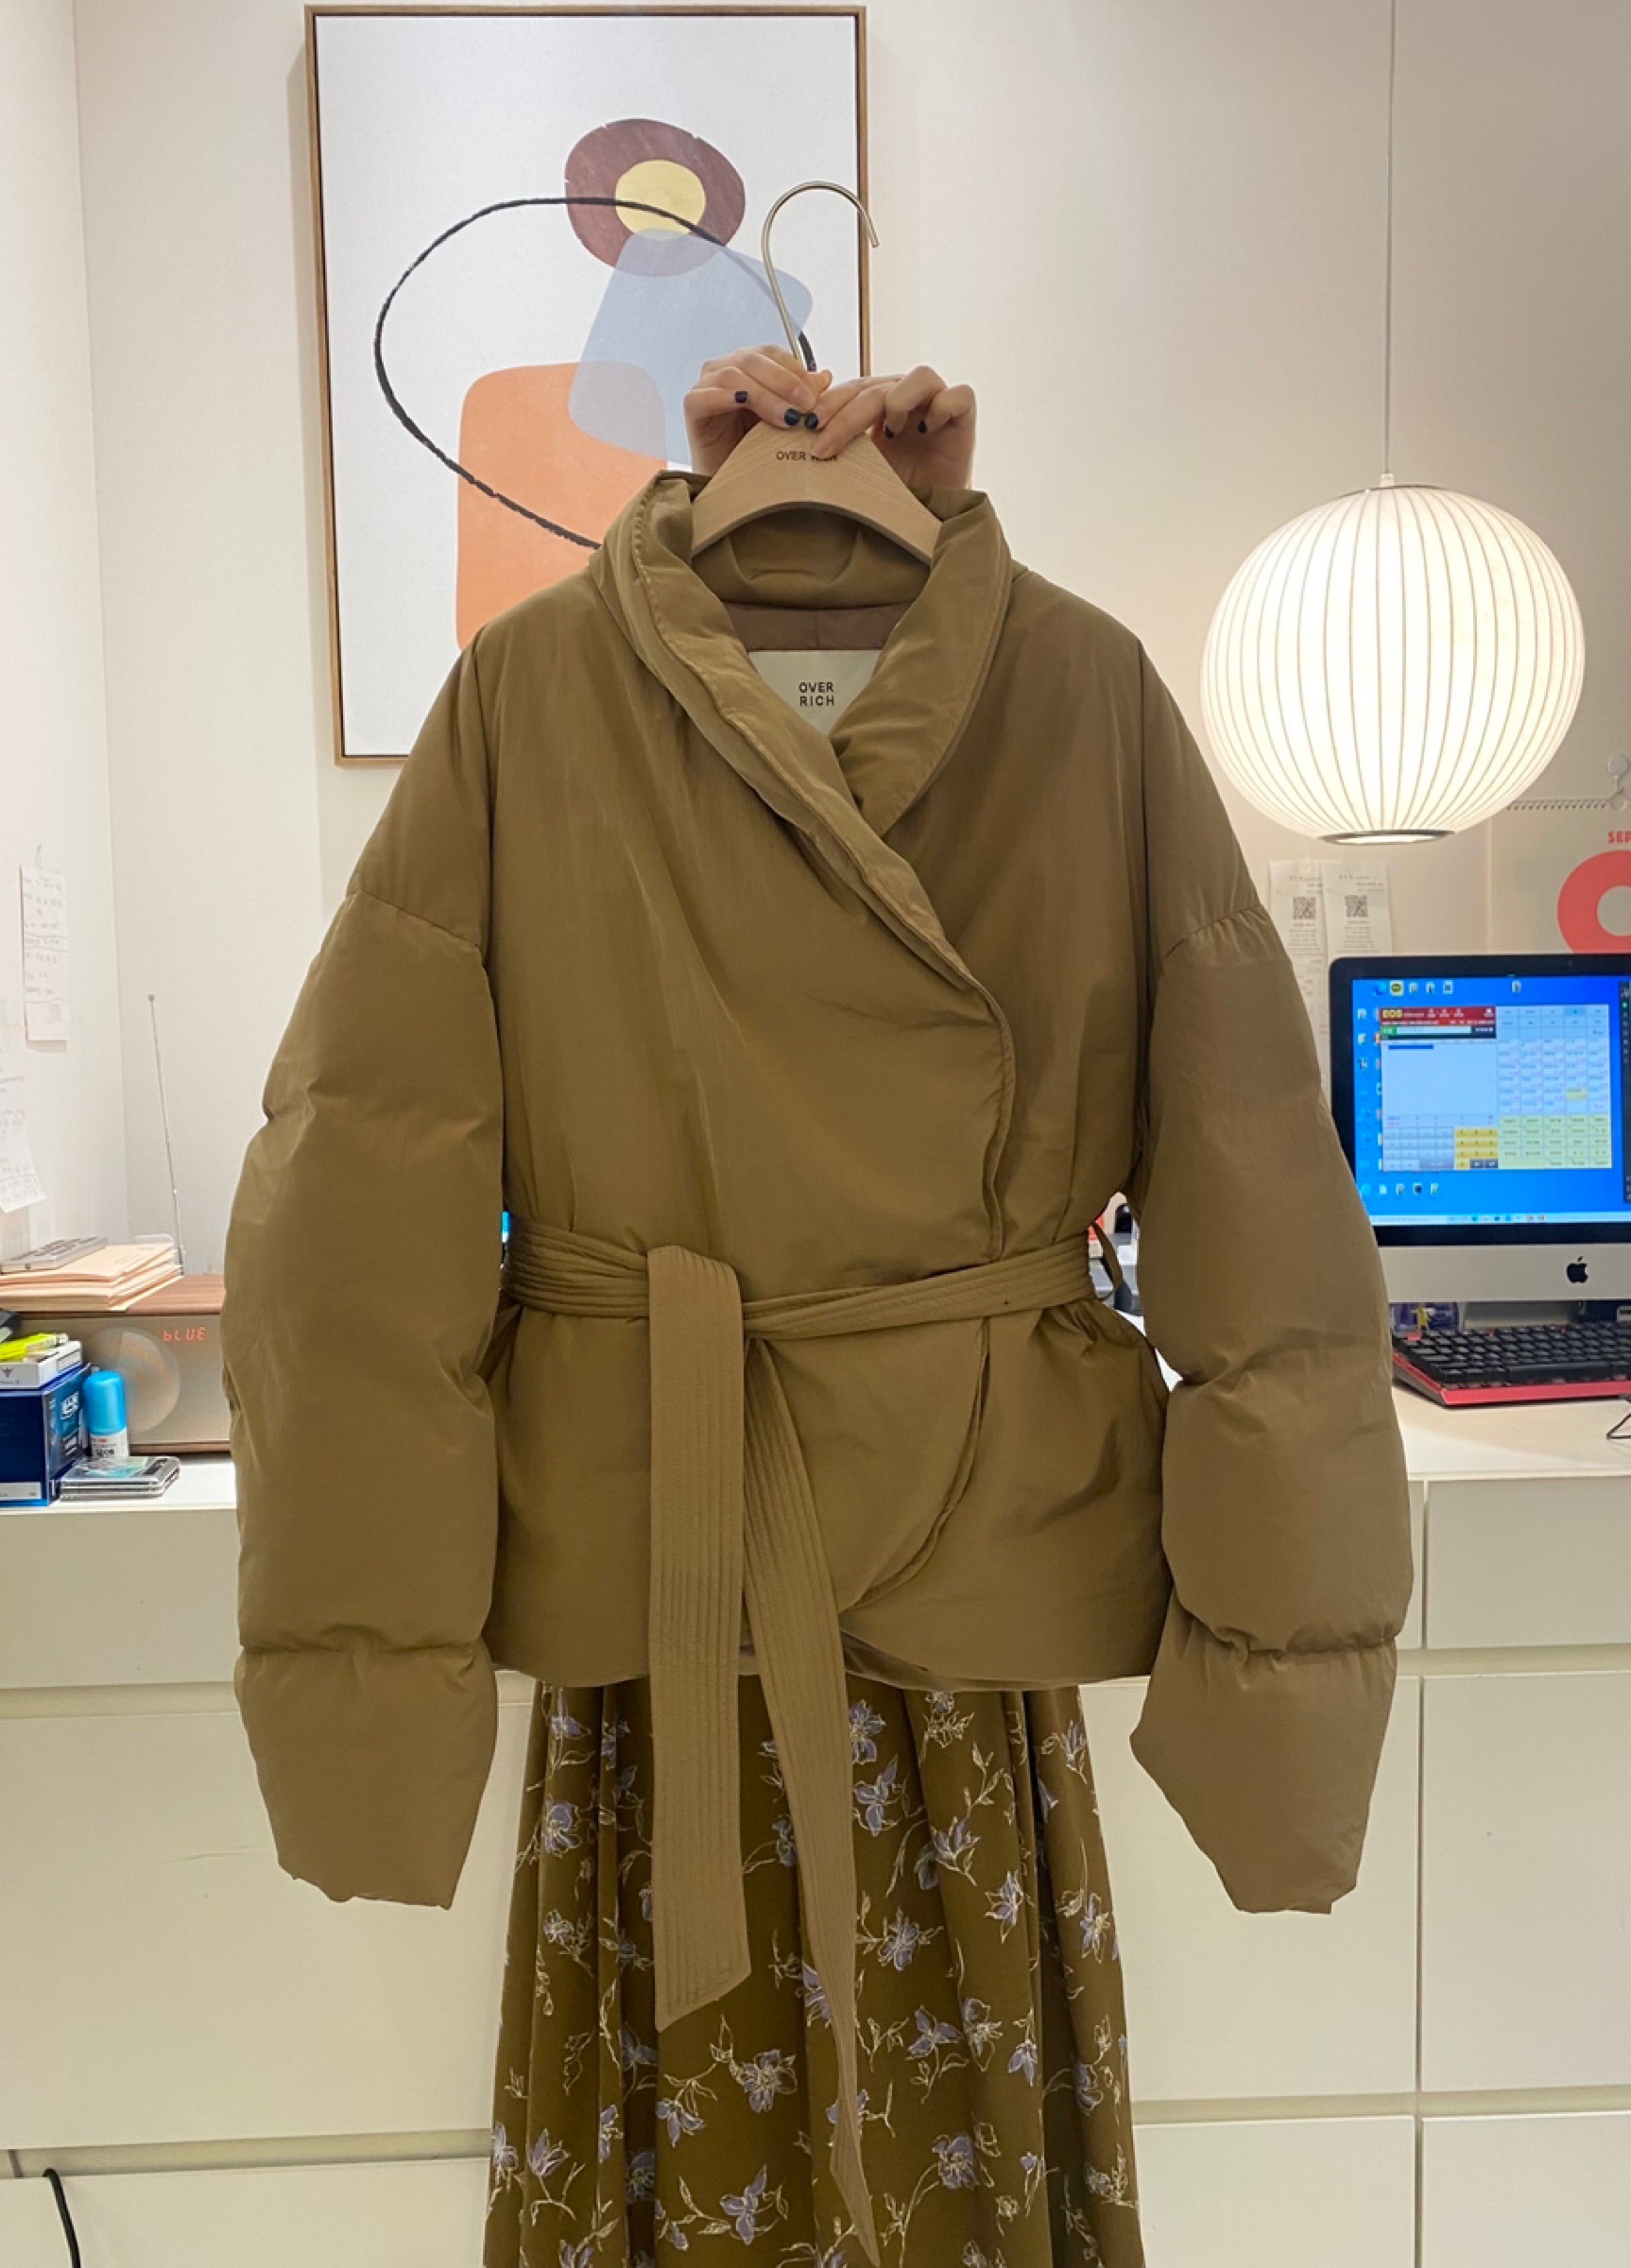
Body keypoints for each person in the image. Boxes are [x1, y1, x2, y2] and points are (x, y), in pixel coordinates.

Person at [482, 348, 1146, 2268]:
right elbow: (376, 1146)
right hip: (704, 1539)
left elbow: (1238, 1123)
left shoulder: (1073, 688)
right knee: (949, 2110)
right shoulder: (536, 692)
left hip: (898, 1548)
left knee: (713, 2117)